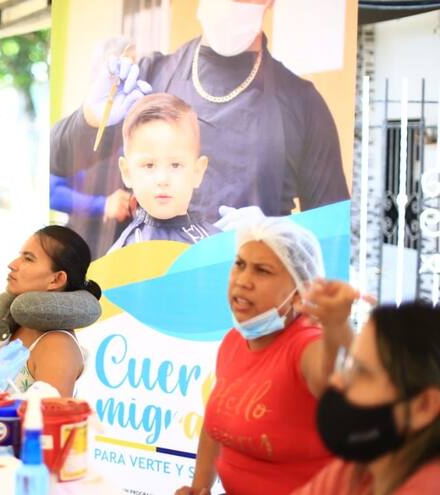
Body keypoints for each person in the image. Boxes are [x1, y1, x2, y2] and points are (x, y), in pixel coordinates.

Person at [51, 0, 349, 255]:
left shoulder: (302, 104)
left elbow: (334, 234)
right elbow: (57, 161)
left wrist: (278, 235)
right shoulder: (151, 76)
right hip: (148, 291)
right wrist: (92, 116)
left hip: (249, 307)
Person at [176, 217, 348, 495]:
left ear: (298, 293)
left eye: (262, 271)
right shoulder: (234, 341)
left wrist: (337, 327)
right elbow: (213, 427)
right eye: (240, 264)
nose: (243, 281)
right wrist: (199, 489)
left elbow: (330, 374)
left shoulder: (307, 344)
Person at [291, 290, 440, 495]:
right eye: (348, 365)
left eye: (360, 372)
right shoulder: (362, 468)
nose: (336, 380)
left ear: (424, 405)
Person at [0, 225, 100, 397]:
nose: (12, 265)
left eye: (28, 259)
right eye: (20, 256)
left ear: (56, 279)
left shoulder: (58, 346)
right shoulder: (15, 325)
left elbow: (47, 421)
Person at [108, 93, 217, 252]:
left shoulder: (219, 248)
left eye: (175, 165)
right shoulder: (121, 257)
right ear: (127, 172)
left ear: (197, 172)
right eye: (149, 165)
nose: (162, 179)